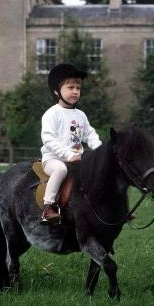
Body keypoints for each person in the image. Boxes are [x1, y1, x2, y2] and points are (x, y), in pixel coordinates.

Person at [40, 63, 102, 224]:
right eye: (70, 87)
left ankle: (107, 207)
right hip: (53, 160)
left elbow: (90, 134)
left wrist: (101, 151)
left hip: (76, 160)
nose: (75, 91)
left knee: (99, 173)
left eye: (78, 88)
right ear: (56, 91)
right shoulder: (52, 114)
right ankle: (48, 208)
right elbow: (48, 138)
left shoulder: (80, 115)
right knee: (60, 170)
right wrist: (67, 155)